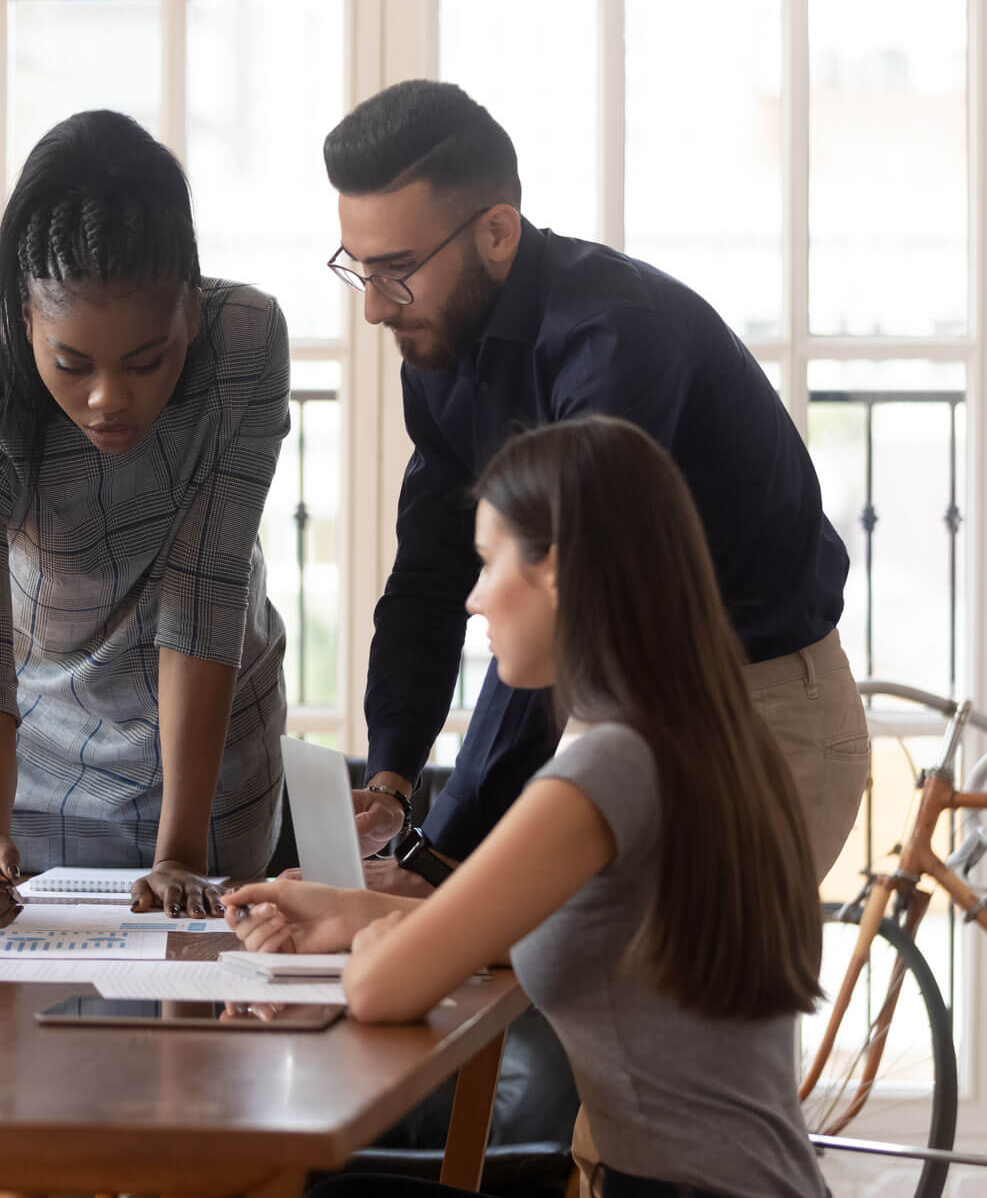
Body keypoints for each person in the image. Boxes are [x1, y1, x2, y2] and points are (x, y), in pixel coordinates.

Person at [225, 416, 829, 1198]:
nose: (473, 601)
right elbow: (553, 937)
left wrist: (371, 941)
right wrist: (349, 909)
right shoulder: (707, 740)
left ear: (558, 570)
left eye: (486, 562)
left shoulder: (607, 767)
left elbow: (379, 990)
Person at [327, 80, 866, 895]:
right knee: (525, 1002)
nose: (373, 309)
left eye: (396, 271)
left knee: (649, 1018)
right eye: (358, 270)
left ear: (498, 232)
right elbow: (431, 578)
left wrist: (439, 861)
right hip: (607, 712)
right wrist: (392, 784)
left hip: (758, 717)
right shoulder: (440, 353)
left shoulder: (615, 340)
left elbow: (566, 600)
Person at [0, 109, 291, 928]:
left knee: (207, 1021)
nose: (108, 399)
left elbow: (204, 587)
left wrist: (180, 855)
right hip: (44, 783)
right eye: (71, 363)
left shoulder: (244, 345)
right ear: (26, 320)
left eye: (144, 361)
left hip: (217, 773)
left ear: (190, 314)